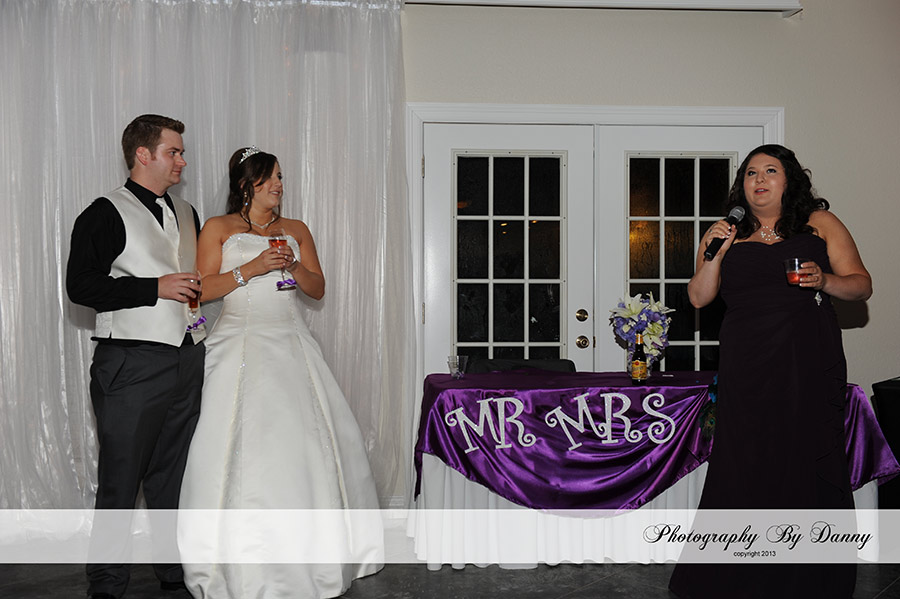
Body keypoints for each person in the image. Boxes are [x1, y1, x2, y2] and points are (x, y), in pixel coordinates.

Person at [668, 144, 872, 598]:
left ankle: (808, 576)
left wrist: (825, 280)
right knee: (746, 461)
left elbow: (861, 285)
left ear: (789, 179)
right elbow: (699, 297)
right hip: (747, 363)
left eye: (770, 171)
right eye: (750, 173)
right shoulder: (724, 232)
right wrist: (715, 252)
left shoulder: (819, 223)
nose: (759, 180)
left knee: (804, 456)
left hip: (807, 359)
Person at [178, 147, 383, 598]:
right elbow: (201, 290)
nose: (278, 185)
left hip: (291, 342)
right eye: (270, 177)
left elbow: (317, 288)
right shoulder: (218, 228)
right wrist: (250, 270)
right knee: (239, 443)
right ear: (246, 184)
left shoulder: (296, 230)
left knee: (302, 441)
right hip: (239, 342)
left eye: (281, 177)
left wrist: (293, 264)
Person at [67, 114, 205, 599]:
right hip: (130, 363)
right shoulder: (104, 212)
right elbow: (80, 286)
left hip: (186, 359)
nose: (182, 161)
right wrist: (153, 288)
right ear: (142, 155)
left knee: (173, 475)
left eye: (182, 152)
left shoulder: (188, 212)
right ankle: (107, 584)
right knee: (121, 478)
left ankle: (172, 570)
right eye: (174, 152)